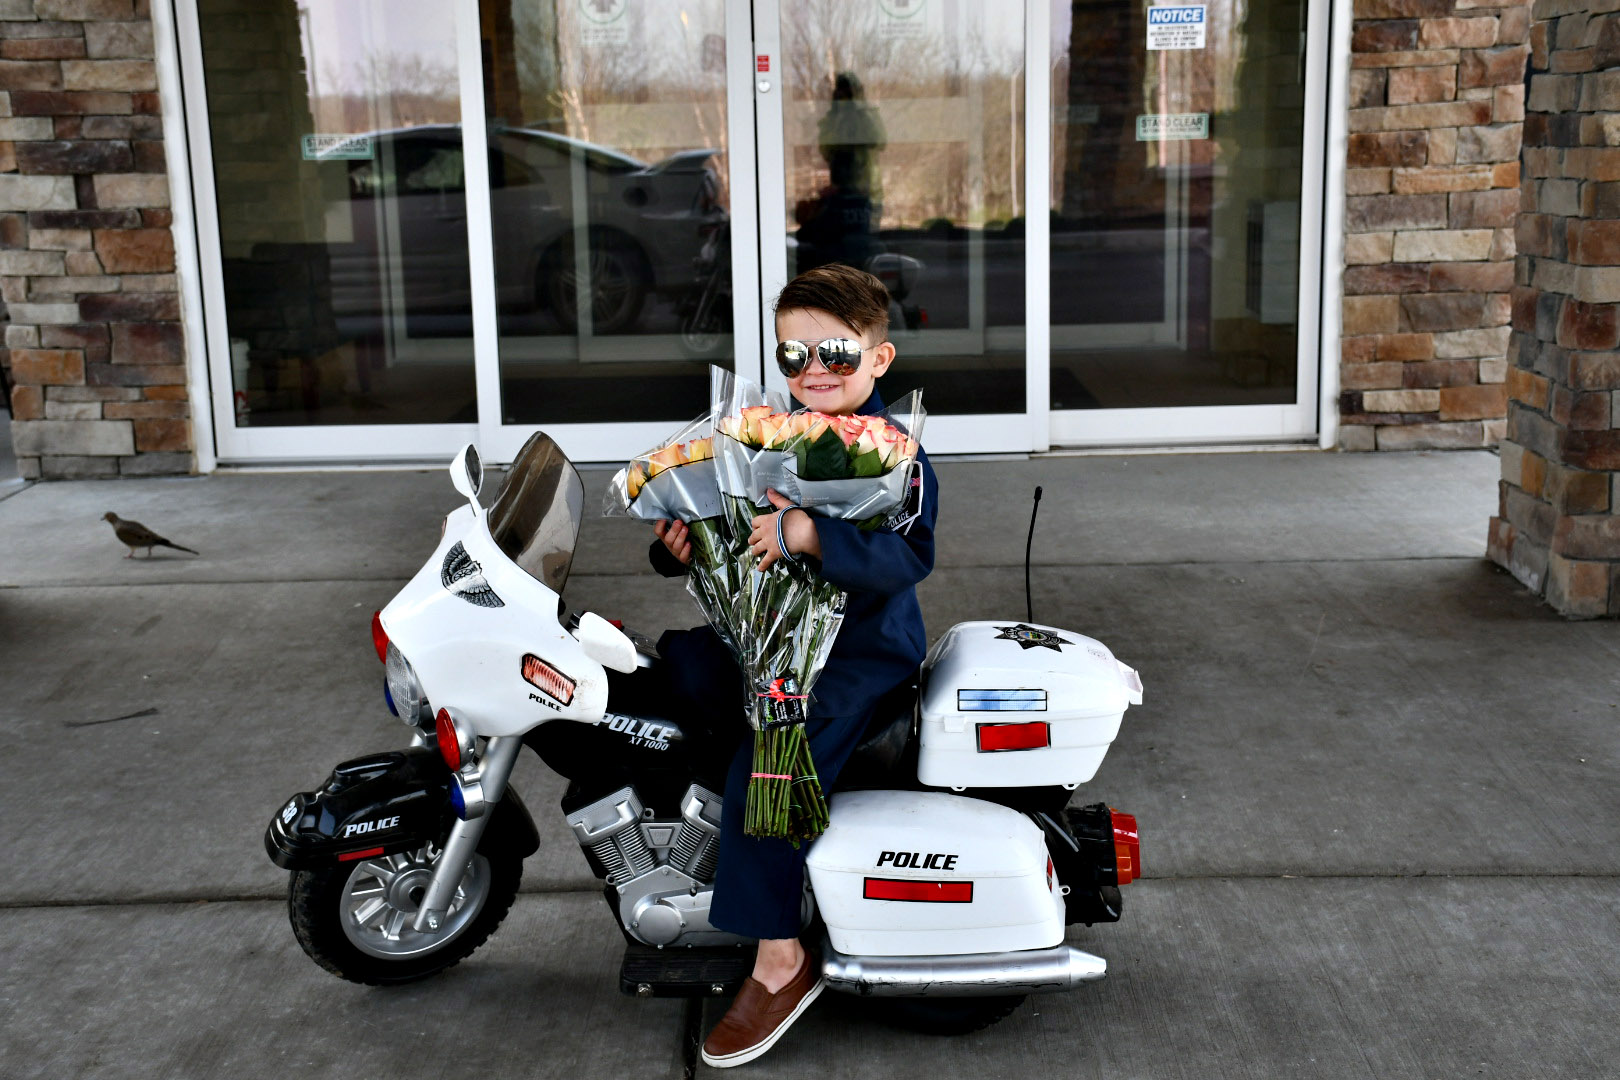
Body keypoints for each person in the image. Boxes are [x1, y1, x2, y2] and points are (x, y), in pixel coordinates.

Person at [648, 263, 938, 1069]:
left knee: (765, 776)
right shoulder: (765, 434)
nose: (813, 370)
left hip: (854, 661)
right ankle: (681, 843)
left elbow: (911, 556)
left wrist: (815, 535)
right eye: (793, 355)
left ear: (879, 361)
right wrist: (681, 544)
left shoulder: (897, 455)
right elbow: (727, 526)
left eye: (837, 354)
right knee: (673, 674)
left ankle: (782, 958)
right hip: (765, 640)